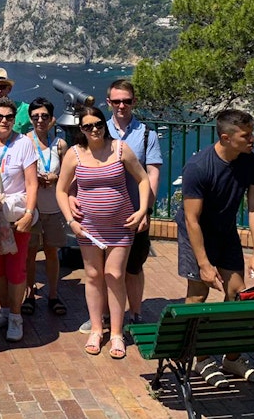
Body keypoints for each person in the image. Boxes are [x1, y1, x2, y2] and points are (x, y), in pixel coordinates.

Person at [176, 110, 254, 388]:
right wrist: (204, 264)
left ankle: (232, 357)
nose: (252, 139)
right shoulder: (199, 167)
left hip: (225, 231)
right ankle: (201, 358)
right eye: (246, 136)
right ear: (226, 138)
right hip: (197, 232)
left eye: (252, 133)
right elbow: (192, 219)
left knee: (238, 294)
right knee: (198, 294)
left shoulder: (253, 160)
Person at [56, 106, 150, 359]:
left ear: (103, 123)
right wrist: (70, 221)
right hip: (88, 227)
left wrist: (142, 211)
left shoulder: (120, 148)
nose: (94, 129)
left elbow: (142, 179)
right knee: (93, 274)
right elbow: (61, 190)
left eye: (98, 124)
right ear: (81, 130)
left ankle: (117, 333)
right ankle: (97, 329)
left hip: (120, 224)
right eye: (88, 126)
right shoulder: (75, 154)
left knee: (114, 273)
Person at [77, 80, 162, 334]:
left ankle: (135, 314)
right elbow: (78, 169)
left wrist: (145, 210)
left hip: (134, 214)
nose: (122, 105)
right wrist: (71, 196)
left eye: (126, 100)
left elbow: (152, 173)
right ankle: (102, 316)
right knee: (101, 271)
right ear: (108, 103)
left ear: (134, 101)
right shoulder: (96, 128)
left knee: (133, 267)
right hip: (99, 218)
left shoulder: (147, 134)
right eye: (116, 101)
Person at [0, 97, 39, 342]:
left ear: (15, 119)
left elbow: (32, 183)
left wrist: (28, 214)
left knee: (16, 267)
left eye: (9, 117)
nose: (4, 121)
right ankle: (4, 310)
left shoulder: (24, 143)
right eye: (0, 117)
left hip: (15, 214)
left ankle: (16, 316)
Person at [22, 97, 69, 317]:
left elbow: (71, 176)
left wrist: (56, 177)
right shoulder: (24, 142)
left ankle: (53, 294)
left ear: (51, 119)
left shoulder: (59, 144)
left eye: (44, 116)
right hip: (32, 208)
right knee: (29, 254)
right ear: (30, 119)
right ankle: (29, 295)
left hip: (54, 208)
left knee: (52, 252)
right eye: (35, 116)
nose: (40, 120)